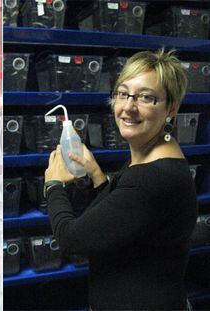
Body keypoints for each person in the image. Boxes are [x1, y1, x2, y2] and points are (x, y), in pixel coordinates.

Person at [44, 49, 198, 310]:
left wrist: (53, 185)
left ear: (172, 108)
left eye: (146, 97)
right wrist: (97, 176)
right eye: (123, 93)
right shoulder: (150, 159)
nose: (128, 107)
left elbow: (72, 239)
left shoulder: (153, 178)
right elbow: (124, 222)